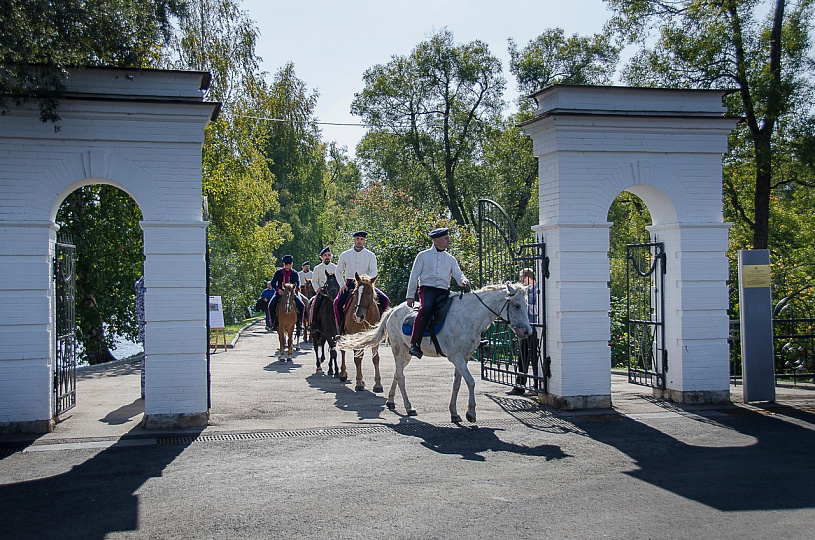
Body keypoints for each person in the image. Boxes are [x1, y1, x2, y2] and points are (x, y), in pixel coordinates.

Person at [406, 227, 470, 358]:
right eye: (446, 238)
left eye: (448, 238)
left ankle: (470, 341)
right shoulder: (423, 256)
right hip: (427, 290)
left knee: (461, 307)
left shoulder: (451, 259)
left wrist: (464, 281)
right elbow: (414, 276)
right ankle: (415, 343)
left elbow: (458, 274)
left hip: (444, 291)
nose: (449, 240)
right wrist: (410, 296)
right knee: (426, 308)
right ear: (436, 240)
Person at [334, 231, 389, 333]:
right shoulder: (345, 255)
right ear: (354, 239)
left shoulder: (370, 255)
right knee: (337, 303)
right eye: (357, 239)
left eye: (362, 239)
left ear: (364, 241)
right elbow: (338, 271)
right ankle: (341, 329)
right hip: (350, 284)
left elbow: (374, 270)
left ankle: (381, 328)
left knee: (385, 300)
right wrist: (342, 285)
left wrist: (368, 281)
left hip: (367, 285)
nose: (359, 241)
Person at [508, 267, 539, 395]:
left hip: (535, 326)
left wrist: (524, 307)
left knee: (534, 357)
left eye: (522, 278)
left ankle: (537, 386)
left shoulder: (537, 290)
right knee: (523, 357)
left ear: (527, 277)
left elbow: (537, 309)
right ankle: (520, 386)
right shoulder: (525, 291)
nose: (521, 280)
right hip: (526, 327)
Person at [268, 254, 305, 332]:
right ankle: (273, 324)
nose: (288, 266)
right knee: (271, 305)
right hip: (280, 293)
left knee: (301, 305)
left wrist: (294, 290)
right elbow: (273, 282)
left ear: (292, 264)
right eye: (286, 264)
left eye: (289, 265)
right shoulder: (278, 272)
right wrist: (278, 290)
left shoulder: (294, 273)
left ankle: (299, 324)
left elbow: (297, 283)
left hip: (291, 294)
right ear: (283, 264)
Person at [309, 246, 337, 326]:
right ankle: (313, 323)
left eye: (328, 255)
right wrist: (318, 289)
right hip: (322, 292)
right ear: (321, 257)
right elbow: (314, 281)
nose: (327, 257)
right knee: (315, 304)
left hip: (333, 292)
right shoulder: (317, 268)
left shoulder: (336, 268)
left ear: (331, 256)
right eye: (325, 255)